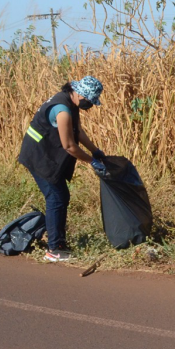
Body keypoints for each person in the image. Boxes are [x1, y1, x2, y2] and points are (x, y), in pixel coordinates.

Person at [17, 76, 108, 262]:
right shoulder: (62, 110)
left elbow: (78, 131)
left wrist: (95, 150)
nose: (89, 105)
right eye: (89, 101)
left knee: (60, 197)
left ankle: (57, 242)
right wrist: (92, 161)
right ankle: (54, 249)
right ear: (80, 94)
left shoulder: (70, 101)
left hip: (46, 154)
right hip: (38, 156)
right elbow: (69, 146)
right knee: (56, 198)